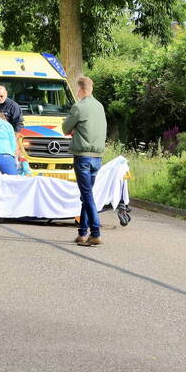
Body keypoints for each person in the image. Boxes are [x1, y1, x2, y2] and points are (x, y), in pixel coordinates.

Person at [62, 75, 107, 246]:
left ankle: (95, 233)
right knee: (86, 193)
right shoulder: (100, 106)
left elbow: (65, 128)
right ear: (91, 89)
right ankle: (82, 232)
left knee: (87, 195)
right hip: (97, 156)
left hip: (83, 155)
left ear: (80, 90)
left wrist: (73, 130)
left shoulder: (79, 107)